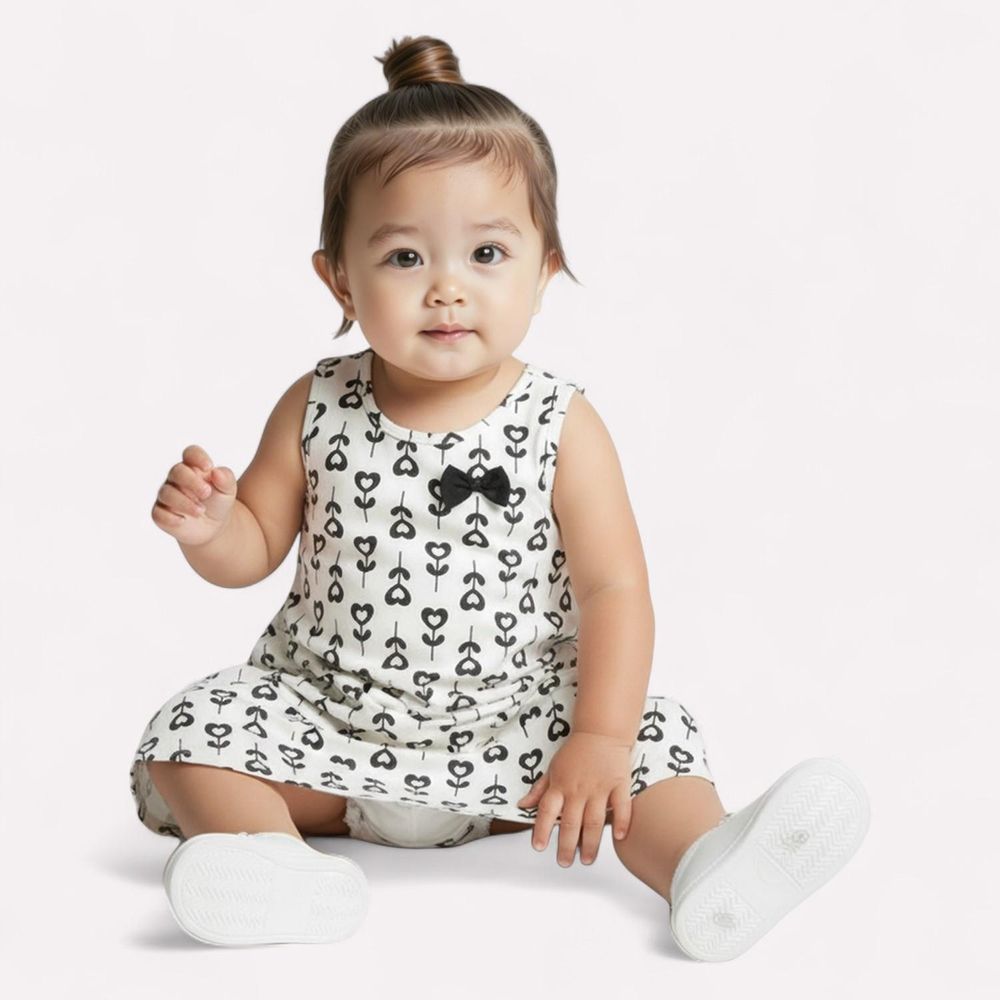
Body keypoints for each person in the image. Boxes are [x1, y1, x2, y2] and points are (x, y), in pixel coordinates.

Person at [130, 33, 870, 958]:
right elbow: (255, 548)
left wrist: (598, 739)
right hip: (332, 735)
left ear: (543, 270)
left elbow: (614, 590)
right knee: (192, 727)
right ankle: (273, 865)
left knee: (654, 737)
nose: (447, 290)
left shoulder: (562, 423)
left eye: (486, 252)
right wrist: (211, 529)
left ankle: (706, 862)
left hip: (518, 749)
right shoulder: (314, 403)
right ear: (339, 277)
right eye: (405, 258)